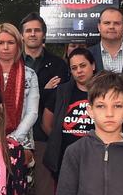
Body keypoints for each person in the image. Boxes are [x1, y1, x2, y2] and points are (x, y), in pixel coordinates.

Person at [20, 13, 68, 195]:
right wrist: (42, 86)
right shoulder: (14, 62)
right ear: (22, 34)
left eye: (37, 30)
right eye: (28, 30)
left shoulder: (59, 64)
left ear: (44, 34)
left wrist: (42, 90)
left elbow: (58, 99)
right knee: (15, 194)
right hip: (16, 137)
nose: (33, 34)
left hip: (44, 137)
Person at [42, 47, 98, 185]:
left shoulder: (104, 92)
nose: (79, 71)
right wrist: (59, 139)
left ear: (93, 65)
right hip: (65, 160)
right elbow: (46, 124)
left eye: (83, 65)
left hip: (96, 159)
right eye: (74, 68)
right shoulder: (61, 92)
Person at [0, 23, 39, 148]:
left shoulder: (30, 75)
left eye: (11, 42)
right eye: (1, 43)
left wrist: (14, 138)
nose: (5, 47)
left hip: (22, 143)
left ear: (18, 45)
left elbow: (32, 112)